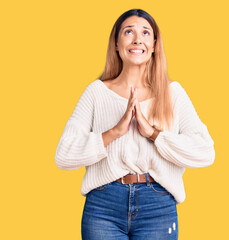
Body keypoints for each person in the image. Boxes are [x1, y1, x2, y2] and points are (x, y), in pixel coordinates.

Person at [54, 8, 215, 240]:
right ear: (117, 44)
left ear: (154, 45)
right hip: (103, 206)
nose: (138, 39)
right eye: (128, 31)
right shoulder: (96, 92)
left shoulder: (173, 93)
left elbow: (205, 152)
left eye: (146, 33)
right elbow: (63, 156)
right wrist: (114, 132)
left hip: (158, 207)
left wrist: (153, 134)